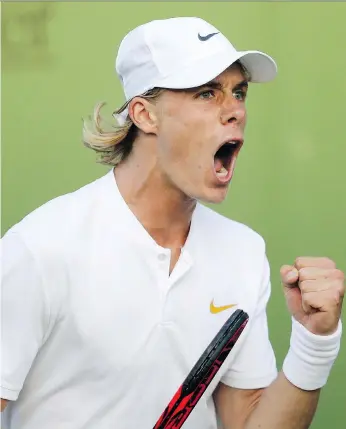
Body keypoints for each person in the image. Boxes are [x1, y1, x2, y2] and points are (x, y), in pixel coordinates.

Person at [1, 16, 344, 429]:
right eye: (206, 93)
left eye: (239, 92)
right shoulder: (40, 249)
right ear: (145, 115)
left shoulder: (243, 252)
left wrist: (315, 343)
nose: (235, 110)